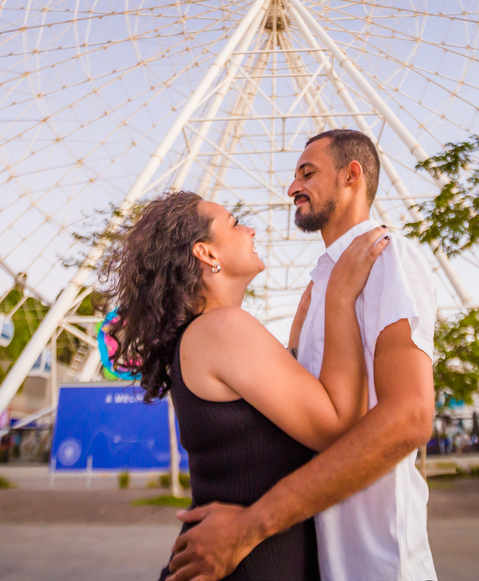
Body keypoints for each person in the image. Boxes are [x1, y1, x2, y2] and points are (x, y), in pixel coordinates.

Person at [167, 129, 438, 581]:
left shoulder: (387, 258)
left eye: (307, 173)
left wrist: (248, 528)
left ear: (352, 176)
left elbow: (410, 415)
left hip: (378, 559)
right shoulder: (321, 288)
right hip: (323, 558)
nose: (292, 187)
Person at [102, 189, 389, 580]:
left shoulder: (206, 334)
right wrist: (340, 298)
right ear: (206, 253)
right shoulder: (222, 329)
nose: (251, 229)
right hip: (248, 565)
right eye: (235, 224)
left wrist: (297, 339)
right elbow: (337, 427)